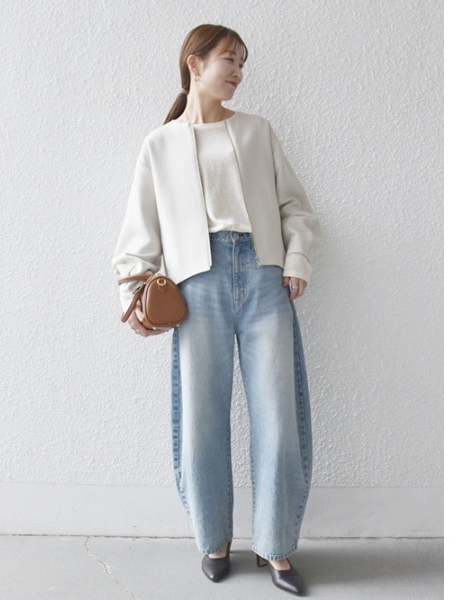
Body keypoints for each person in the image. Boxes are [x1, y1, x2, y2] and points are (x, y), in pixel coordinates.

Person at [112, 24, 320, 596]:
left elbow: (296, 208)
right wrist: (131, 295)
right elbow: (139, 232)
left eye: (242, 62)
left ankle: (276, 546)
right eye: (230, 59)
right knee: (201, 419)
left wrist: (297, 260)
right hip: (195, 285)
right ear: (195, 63)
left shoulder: (257, 131)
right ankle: (214, 540)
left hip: (264, 276)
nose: (238, 72)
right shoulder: (159, 145)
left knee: (278, 417)